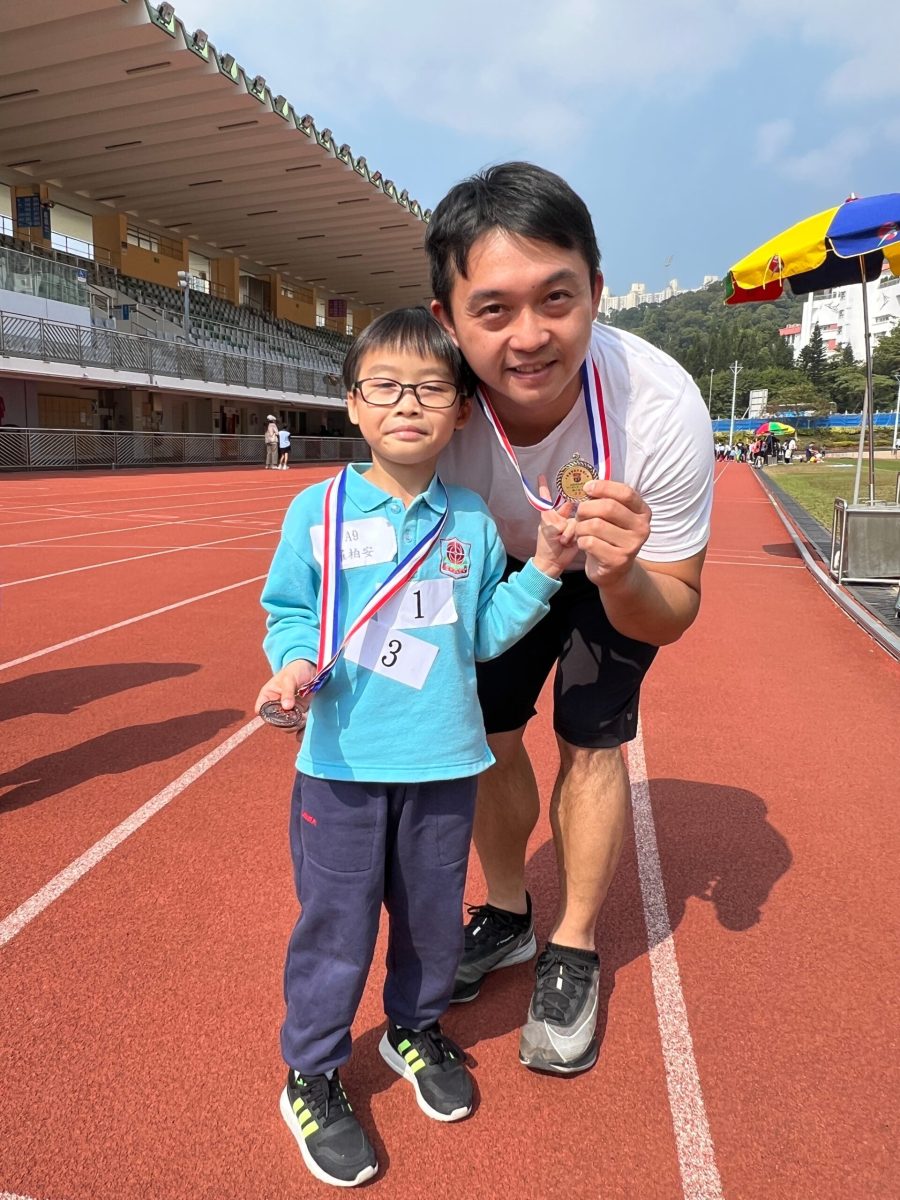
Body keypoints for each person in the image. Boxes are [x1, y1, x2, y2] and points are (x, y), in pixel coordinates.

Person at [256, 307, 578, 1188]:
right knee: (336, 926)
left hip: (446, 764)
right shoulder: (318, 510)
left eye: (432, 388)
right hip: (343, 769)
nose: (408, 404)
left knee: (435, 920)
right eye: (387, 387)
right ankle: (312, 1072)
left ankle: (413, 1027)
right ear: (353, 404)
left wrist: (547, 568)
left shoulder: (470, 519)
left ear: (462, 411)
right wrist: (293, 665)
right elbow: (289, 611)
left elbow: (484, 635)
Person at [426, 161, 713, 1075]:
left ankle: (574, 945)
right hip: (501, 562)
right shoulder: (431, 404)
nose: (530, 336)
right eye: (493, 309)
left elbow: (674, 608)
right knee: (483, 732)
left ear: (595, 287)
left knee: (591, 738)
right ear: (447, 320)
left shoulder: (659, 406)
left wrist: (620, 574)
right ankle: (508, 914)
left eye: (556, 297)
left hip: (613, 567)